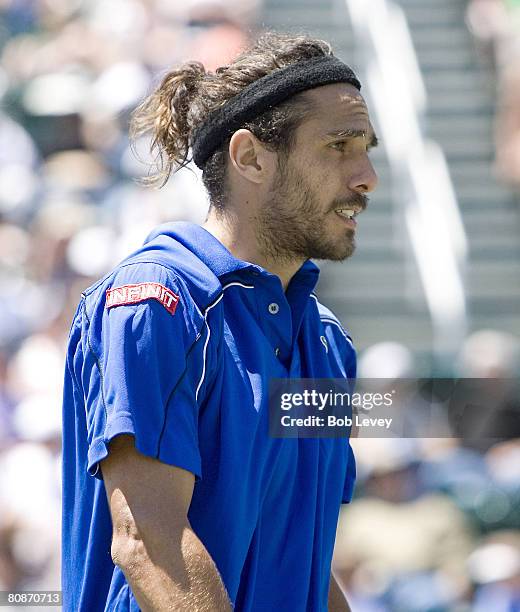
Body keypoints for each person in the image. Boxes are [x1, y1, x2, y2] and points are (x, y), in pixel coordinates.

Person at [61, 32, 378, 611]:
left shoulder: (330, 345)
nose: (366, 177)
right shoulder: (154, 304)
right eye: (339, 145)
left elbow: (307, 561)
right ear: (250, 157)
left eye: (367, 149)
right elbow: (150, 544)